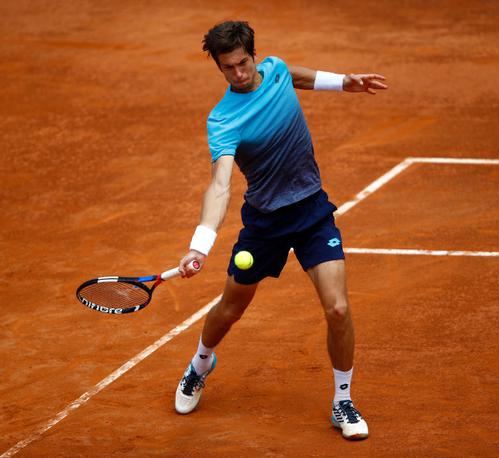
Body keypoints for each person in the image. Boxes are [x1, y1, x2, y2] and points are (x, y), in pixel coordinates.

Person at [175, 21, 387, 441]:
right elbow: (220, 184)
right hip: (265, 224)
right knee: (230, 309)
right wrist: (200, 244)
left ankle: (342, 400)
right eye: (227, 68)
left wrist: (345, 82)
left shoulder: (275, 70)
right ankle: (200, 364)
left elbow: (297, 77)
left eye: (242, 63)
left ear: (255, 55)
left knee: (339, 308)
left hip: (311, 211)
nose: (238, 74)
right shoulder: (223, 120)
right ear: (218, 69)